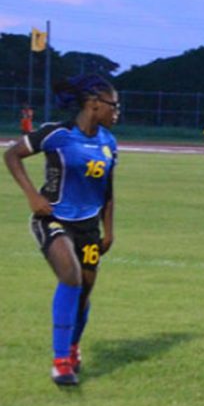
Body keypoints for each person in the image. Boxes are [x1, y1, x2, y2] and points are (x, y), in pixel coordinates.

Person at [4, 73, 120, 386]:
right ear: (94, 105)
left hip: (88, 228)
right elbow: (12, 154)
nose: (117, 112)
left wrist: (108, 231)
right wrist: (32, 195)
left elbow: (107, 189)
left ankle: (72, 346)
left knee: (84, 292)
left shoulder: (109, 142)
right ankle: (60, 362)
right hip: (52, 218)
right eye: (113, 105)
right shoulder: (58, 133)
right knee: (70, 275)